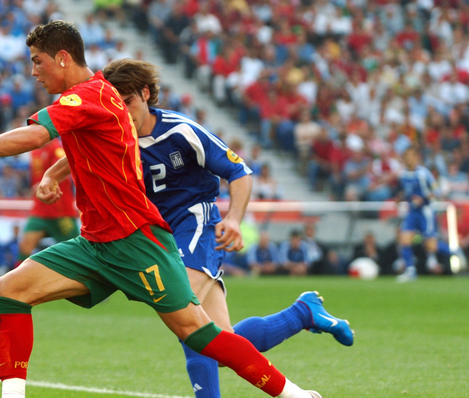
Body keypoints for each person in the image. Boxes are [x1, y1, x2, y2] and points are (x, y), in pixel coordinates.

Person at [0, 21, 324, 398]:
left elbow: (35, 135)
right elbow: (93, 143)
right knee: (9, 290)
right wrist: (53, 173)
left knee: (201, 335)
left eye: (37, 61)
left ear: (63, 58)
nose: (34, 71)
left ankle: (294, 393)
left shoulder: (86, 96)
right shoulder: (100, 97)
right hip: (97, 244)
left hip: (139, 242)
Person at [94, 58, 351, 398]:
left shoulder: (180, 131)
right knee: (220, 340)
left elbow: (239, 172)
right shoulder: (115, 135)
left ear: (145, 94)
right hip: (161, 237)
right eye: (116, 104)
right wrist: (54, 174)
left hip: (195, 224)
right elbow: (81, 153)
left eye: (127, 102)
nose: (122, 111)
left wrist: (232, 219)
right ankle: (303, 312)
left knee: (184, 315)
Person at [16, 138, 79, 266]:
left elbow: (63, 173)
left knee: (77, 250)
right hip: (40, 209)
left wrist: (43, 184)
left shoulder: (57, 149)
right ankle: (20, 282)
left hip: (60, 210)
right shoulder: (34, 151)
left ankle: (85, 278)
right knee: (25, 246)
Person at [396, 146, 441, 282]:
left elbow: (437, 190)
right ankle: (410, 270)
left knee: (430, 244)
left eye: (411, 155)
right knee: (404, 238)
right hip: (412, 211)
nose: (408, 158)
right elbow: (407, 192)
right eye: (406, 155)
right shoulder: (403, 175)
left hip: (425, 211)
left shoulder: (423, 173)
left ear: (416, 157)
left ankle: (436, 258)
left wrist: (424, 198)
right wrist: (400, 197)